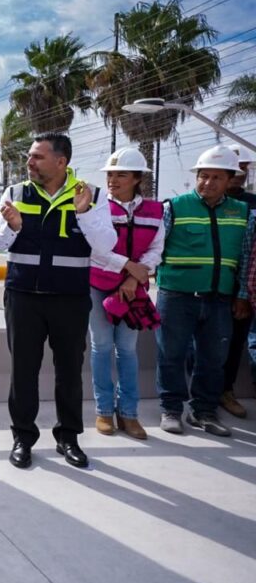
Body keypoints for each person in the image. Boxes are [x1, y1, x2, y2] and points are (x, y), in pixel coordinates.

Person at [0, 133, 116, 469]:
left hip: (70, 299)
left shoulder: (91, 195)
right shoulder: (15, 193)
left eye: (37, 157)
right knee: (23, 371)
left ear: (61, 162)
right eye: (29, 156)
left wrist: (84, 212)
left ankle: (68, 438)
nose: (29, 162)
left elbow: (106, 245)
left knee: (70, 371)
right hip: (23, 297)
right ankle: (23, 438)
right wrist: (13, 226)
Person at [157, 146, 251, 437]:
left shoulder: (243, 213)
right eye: (203, 175)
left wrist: (242, 295)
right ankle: (171, 410)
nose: (208, 182)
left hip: (219, 298)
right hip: (176, 295)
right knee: (171, 354)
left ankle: (203, 412)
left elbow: (246, 257)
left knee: (213, 359)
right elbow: (155, 249)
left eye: (216, 177)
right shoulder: (174, 207)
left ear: (231, 180)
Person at [87, 148, 164, 440]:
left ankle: (129, 413)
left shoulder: (155, 211)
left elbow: (156, 249)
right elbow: (94, 249)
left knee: (128, 350)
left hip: (133, 291)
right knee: (101, 346)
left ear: (137, 179)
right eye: (110, 174)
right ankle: (104, 411)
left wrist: (133, 278)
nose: (113, 180)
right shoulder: (96, 208)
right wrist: (129, 266)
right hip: (98, 286)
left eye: (121, 174)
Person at [222, 145, 256, 418]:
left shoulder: (252, 203)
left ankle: (226, 391)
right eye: (234, 169)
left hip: (242, 286)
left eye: (243, 169)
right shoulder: (200, 203)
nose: (239, 174)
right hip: (207, 285)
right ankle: (200, 395)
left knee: (235, 342)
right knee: (198, 345)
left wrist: (244, 292)